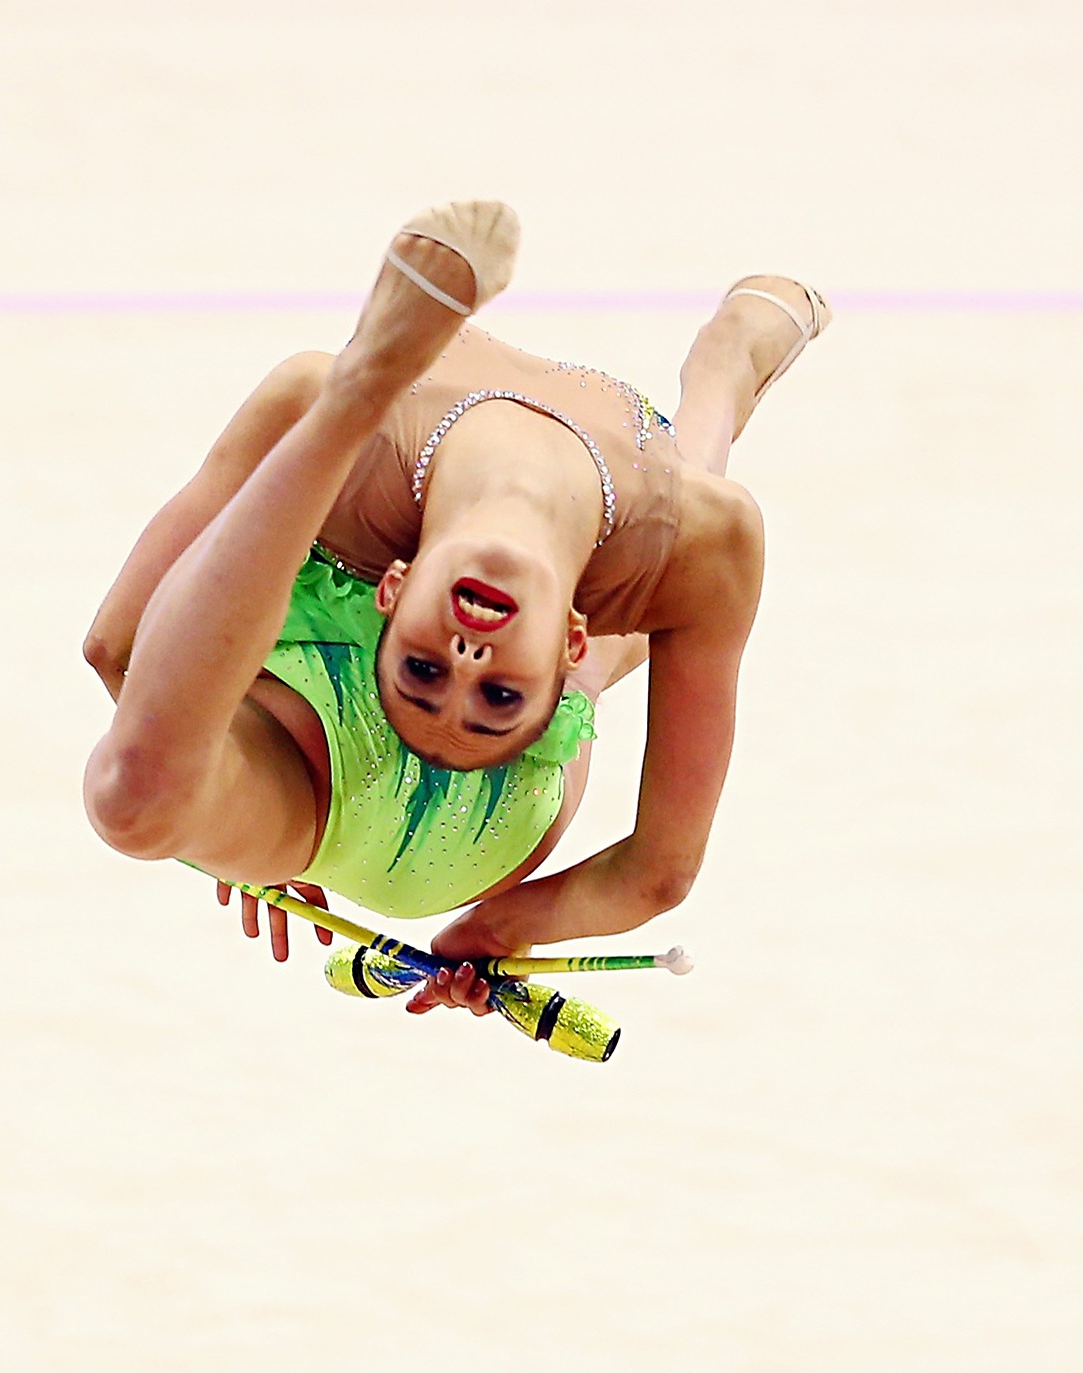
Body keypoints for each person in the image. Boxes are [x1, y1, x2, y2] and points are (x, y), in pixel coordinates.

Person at [83, 200, 825, 1010]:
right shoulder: (686, 542)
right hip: (466, 797)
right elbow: (659, 876)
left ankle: (361, 393)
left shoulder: (322, 421)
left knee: (134, 799)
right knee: (675, 534)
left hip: (345, 789)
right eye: (496, 695)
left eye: (426, 670)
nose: (467, 664)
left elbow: (117, 648)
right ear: (573, 650)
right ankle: (727, 365)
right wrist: (500, 928)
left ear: (392, 595)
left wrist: (207, 791)